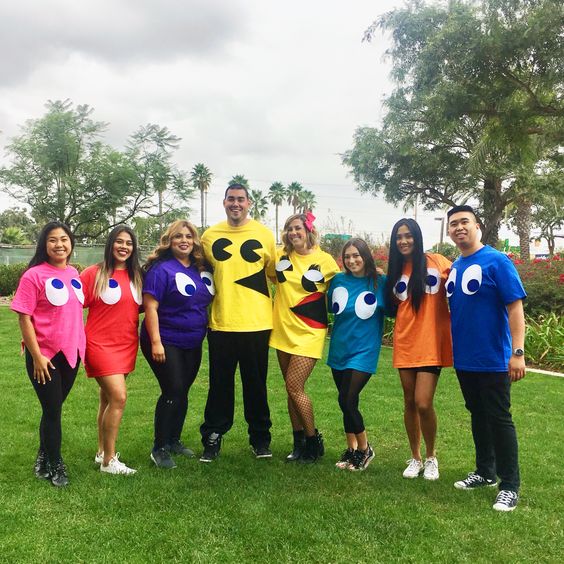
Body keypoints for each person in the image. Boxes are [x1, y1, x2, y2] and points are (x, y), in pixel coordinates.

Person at [447, 205, 526, 512]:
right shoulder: (456, 265)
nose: (459, 227)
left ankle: (510, 485)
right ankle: (485, 472)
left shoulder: (497, 261)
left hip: (494, 359)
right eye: (453, 224)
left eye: (464, 221)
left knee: (499, 419)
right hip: (465, 360)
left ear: (477, 226)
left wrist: (517, 352)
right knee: (477, 415)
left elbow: (515, 307)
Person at [199, 183, 276, 462]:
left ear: (249, 203)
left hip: (257, 323)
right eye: (231, 199)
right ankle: (213, 436)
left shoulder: (265, 235)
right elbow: (197, 271)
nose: (236, 204)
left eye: (241, 199)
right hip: (221, 323)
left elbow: (277, 274)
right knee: (220, 384)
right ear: (224, 202)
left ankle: (260, 438)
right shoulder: (209, 237)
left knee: (256, 384)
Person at [11, 221, 86, 487]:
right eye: (53, 240)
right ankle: (56, 464)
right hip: (44, 356)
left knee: (52, 408)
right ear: (44, 245)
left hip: (72, 354)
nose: (59, 245)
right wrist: (38, 355)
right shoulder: (34, 275)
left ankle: (43, 456)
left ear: (71, 244)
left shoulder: (74, 274)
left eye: (64, 239)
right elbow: (24, 317)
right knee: (53, 411)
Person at [141, 220, 214, 469]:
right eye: (177, 237)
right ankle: (159, 447)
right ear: (169, 242)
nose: (184, 240)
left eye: (188, 236)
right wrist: (156, 342)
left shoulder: (199, 268)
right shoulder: (161, 270)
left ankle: (173, 439)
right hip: (165, 339)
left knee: (182, 390)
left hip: (192, 340)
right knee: (172, 390)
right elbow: (150, 307)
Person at [385, 218, 452, 481]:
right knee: (409, 401)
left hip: (431, 343)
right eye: (399, 236)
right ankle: (415, 457)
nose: (403, 240)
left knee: (424, 403)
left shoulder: (438, 261)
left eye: (408, 235)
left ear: (417, 237)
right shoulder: (395, 270)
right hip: (406, 342)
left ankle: (432, 456)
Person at [270, 213, 339, 463]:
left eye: (297, 228)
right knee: (291, 391)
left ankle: (313, 441)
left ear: (308, 230)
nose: (293, 232)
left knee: (294, 387)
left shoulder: (325, 260)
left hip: (309, 330)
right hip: (282, 330)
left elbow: (345, 283)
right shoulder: (280, 257)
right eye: (289, 228)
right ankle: (298, 443)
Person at [80, 225, 143, 475]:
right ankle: (109, 461)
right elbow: (72, 307)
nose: (124, 247)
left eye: (128, 243)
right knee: (119, 397)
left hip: (126, 344)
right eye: (119, 241)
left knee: (106, 398)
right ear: (110, 244)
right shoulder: (93, 274)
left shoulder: (137, 275)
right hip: (98, 344)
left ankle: (100, 451)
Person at [327, 238, 386, 471]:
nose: (352, 260)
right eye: (347, 256)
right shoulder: (338, 280)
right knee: (346, 400)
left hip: (364, 350)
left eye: (356, 255)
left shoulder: (379, 281)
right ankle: (351, 450)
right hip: (340, 348)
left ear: (366, 256)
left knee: (347, 399)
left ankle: (364, 449)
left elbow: (394, 309)